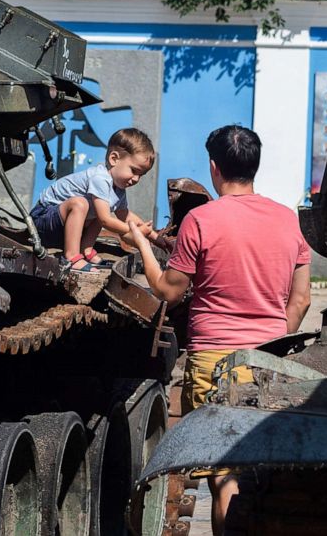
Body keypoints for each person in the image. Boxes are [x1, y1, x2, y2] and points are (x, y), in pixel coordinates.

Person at [127, 124, 312, 536]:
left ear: (214, 168)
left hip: (214, 363)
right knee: (257, 474)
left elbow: (168, 292)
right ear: (255, 167)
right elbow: (300, 301)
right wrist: (273, 344)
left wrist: (142, 243)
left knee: (225, 475)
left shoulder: (201, 220)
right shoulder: (288, 221)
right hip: (270, 362)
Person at [29, 127, 169, 272]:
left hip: (62, 227)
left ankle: (86, 250)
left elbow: (125, 216)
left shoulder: (119, 189)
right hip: (42, 220)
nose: (136, 179)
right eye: (134, 170)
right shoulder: (100, 178)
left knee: (100, 207)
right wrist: (135, 230)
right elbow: (105, 221)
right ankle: (71, 256)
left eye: (141, 175)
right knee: (82, 204)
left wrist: (155, 237)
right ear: (114, 159)